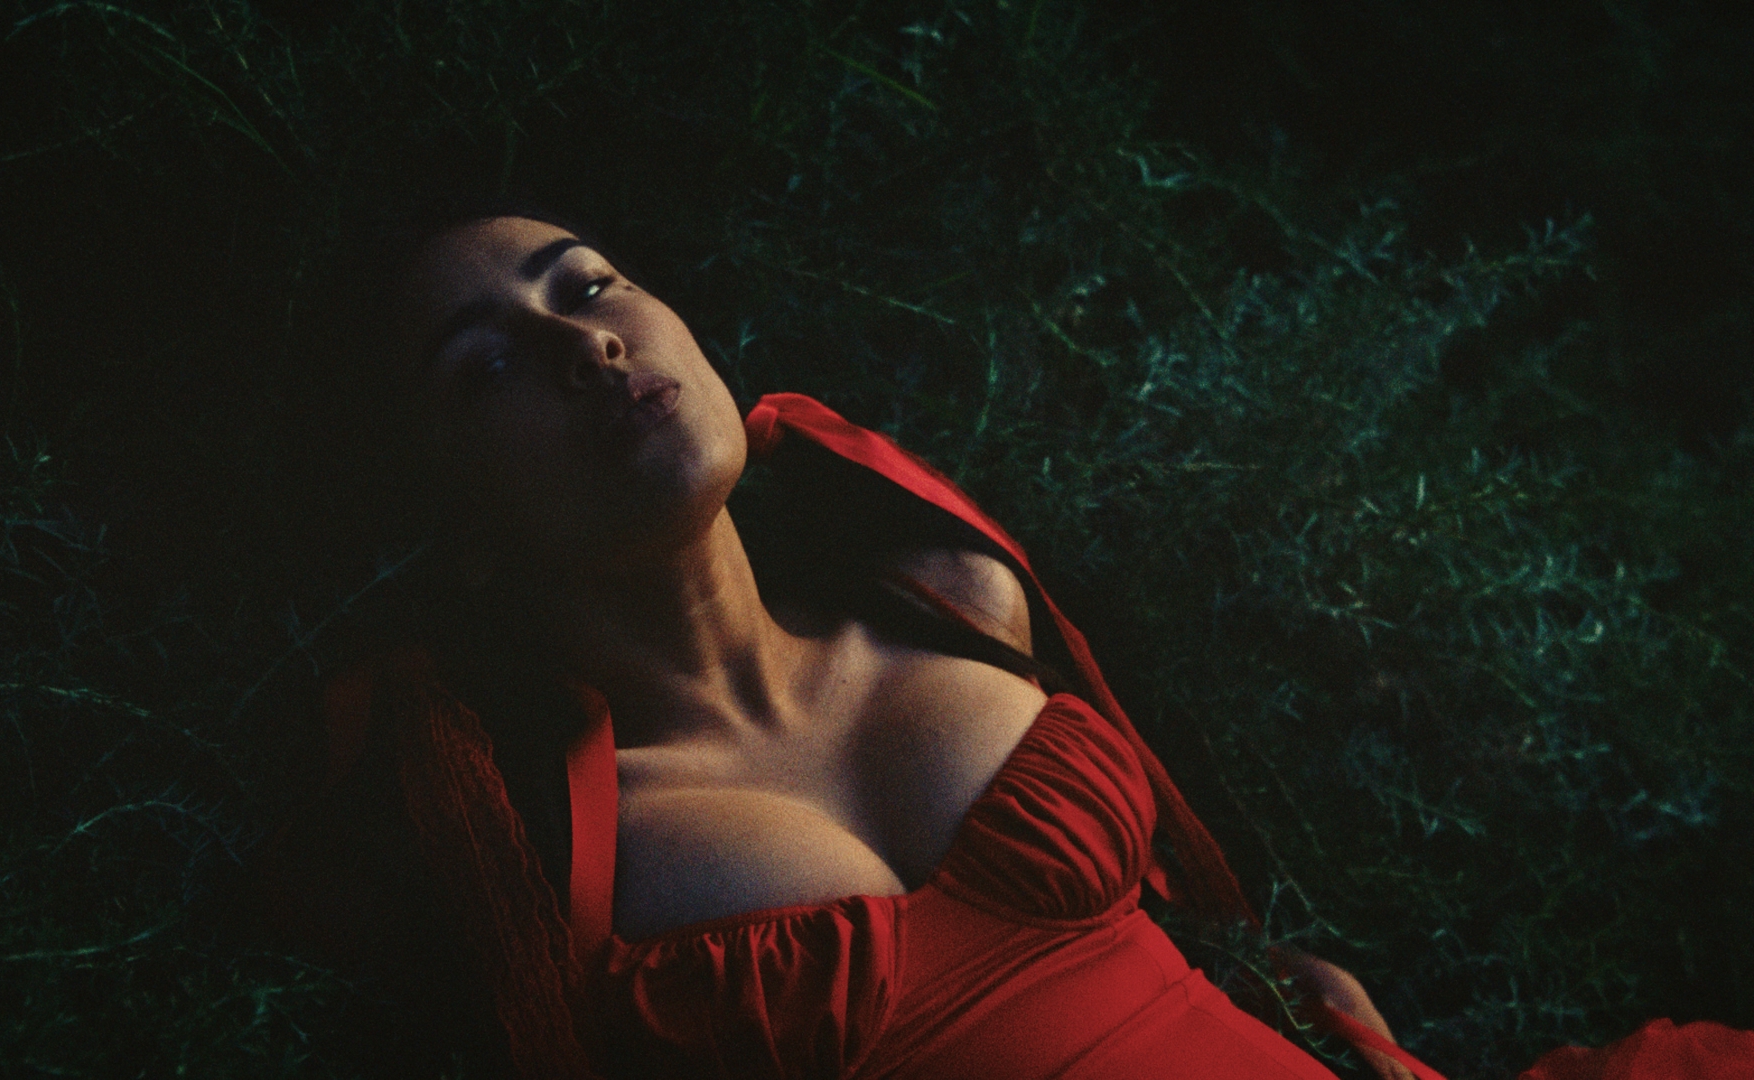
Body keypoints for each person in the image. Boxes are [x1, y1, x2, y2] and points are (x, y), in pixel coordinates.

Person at [267, 212, 1753, 1080]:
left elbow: (1152, 928)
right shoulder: (534, 855)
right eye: (489, 367)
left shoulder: (949, 601)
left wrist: (1269, 990)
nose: (585, 343)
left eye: (590, 285)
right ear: (450, 529)